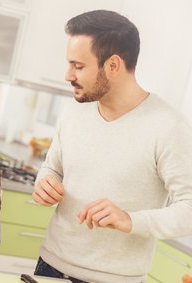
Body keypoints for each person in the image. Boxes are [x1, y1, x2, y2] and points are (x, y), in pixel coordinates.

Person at [32, 10, 192, 283]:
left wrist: (131, 220)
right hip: (49, 267)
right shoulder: (74, 109)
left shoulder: (168, 126)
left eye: (78, 66)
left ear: (114, 65)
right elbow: (52, 168)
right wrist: (45, 181)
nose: (67, 75)